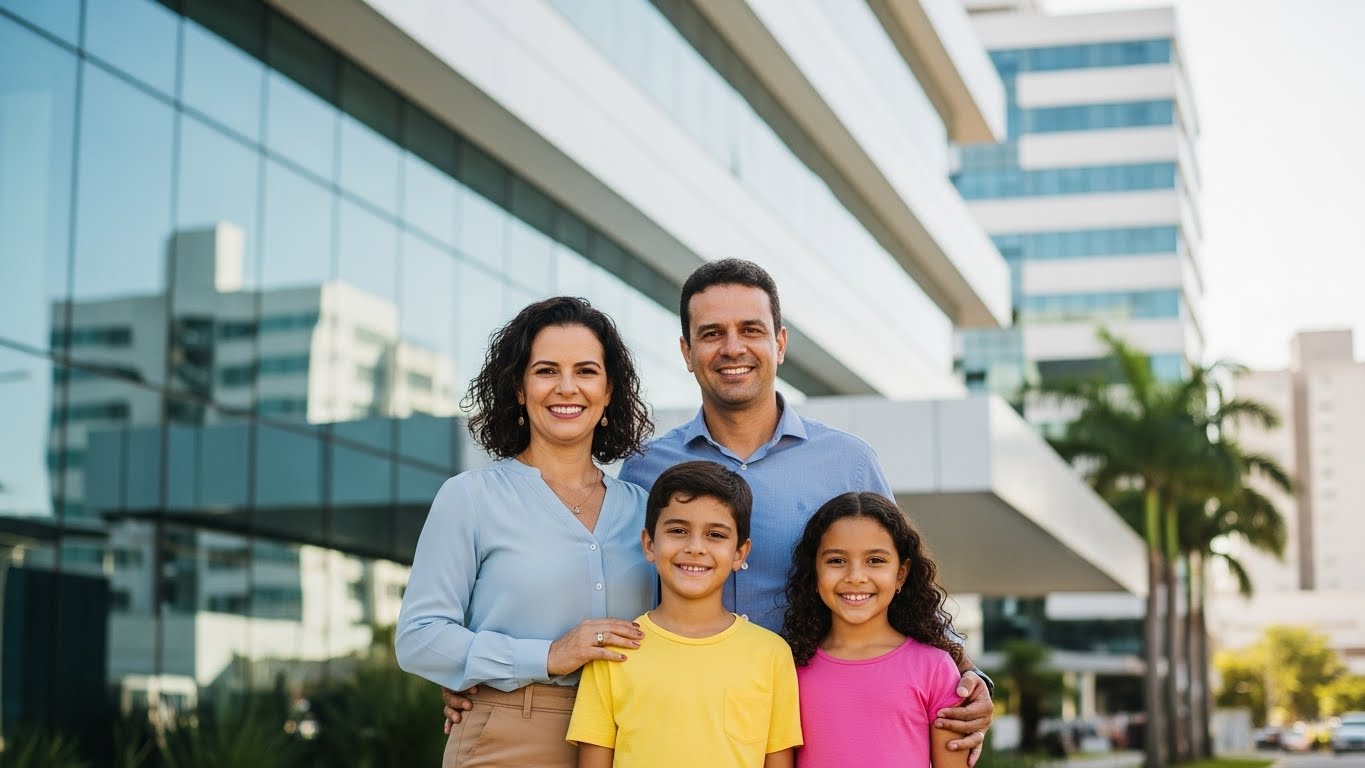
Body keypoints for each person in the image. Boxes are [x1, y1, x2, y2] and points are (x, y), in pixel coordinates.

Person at [445, 260, 994, 763]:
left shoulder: (848, 463)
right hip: (676, 729)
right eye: (712, 334)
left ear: (780, 342)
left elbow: (898, 588)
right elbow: (602, 587)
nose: (733, 348)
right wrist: (489, 671)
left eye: (751, 330)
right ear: (686, 353)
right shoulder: (642, 472)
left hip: (813, 724)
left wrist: (969, 677)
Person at [397, 296, 655, 767]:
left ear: (610, 389)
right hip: (510, 737)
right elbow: (419, 637)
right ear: (519, 388)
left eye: (586, 371)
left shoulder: (646, 511)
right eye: (546, 371)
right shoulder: (470, 497)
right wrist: (546, 656)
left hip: (635, 737)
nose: (566, 387)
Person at [567, 460, 802, 768]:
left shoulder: (771, 654)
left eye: (715, 535)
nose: (695, 547)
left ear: (739, 553)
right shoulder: (615, 649)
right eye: (678, 530)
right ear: (649, 544)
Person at [783, 492, 968, 768]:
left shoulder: (935, 668)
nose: (855, 577)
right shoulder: (788, 668)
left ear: (901, 574)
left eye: (875, 561)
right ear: (815, 572)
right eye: (836, 561)